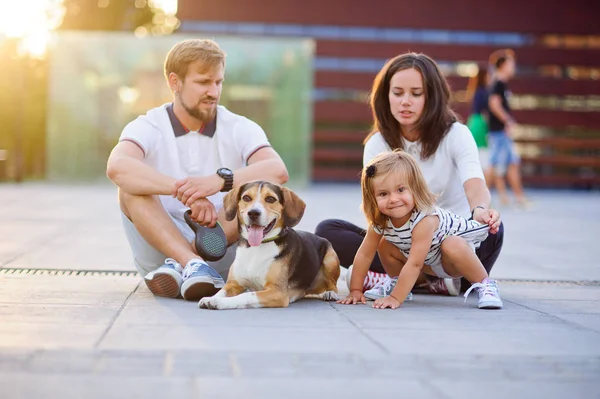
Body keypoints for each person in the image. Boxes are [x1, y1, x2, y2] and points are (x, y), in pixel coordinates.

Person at [106, 39, 288, 301]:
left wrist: (219, 182)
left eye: (218, 82)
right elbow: (118, 167)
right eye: (203, 82)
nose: (213, 91)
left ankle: (187, 263)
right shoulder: (148, 125)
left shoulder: (239, 126)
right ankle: (189, 262)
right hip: (160, 257)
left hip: (221, 251)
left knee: (250, 196)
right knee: (130, 190)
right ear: (174, 82)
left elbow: (277, 171)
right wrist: (186, 191)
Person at [315, 52, 503, 295]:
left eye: (416, 94)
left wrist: (480, 211)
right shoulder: (377, 143)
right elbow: (374, 207)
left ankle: (429, 279)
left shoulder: (457, 134)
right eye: (398, 93)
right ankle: (421, 280)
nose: (405, 101)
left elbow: (474, 183)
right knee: (327, 231)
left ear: (432, 97)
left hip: (451, 244)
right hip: (401, 243)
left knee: (493, 231)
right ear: (386, 96)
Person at [337, 150, 503, 310]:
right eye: (383, 194)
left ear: (414, 188)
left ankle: (485, 283)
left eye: (401, 190)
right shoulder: (381, 220)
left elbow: (415, 264)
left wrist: (395, 298)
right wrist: (356, 291)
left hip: (453, 260)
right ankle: (398, 282)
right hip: (428, 262)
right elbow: (365, 254)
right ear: (372, 198)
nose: (393, 199)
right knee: (384, 243)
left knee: (452, 244)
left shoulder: (424, 219)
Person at [487, 49, 530, 207]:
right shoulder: (498, 83)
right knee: (493, 165)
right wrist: (508, 120)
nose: (514, 67)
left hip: (500, 132)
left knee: (511, 163)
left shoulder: (501, 83)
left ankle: (519, 197)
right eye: (511, 64)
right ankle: (478, 199)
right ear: (503, 65)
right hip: (498, 132)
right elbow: (494, 104)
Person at [466, 66, 493, 185]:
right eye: (489, 75)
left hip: (473, 123)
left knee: (474, 158)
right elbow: (486, 113)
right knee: (485, 161)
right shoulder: (485, 93)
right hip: (481, 124)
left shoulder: (476, 91)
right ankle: (484, 191)